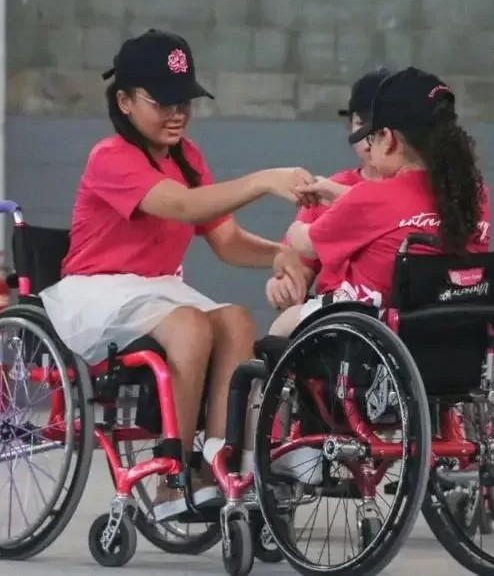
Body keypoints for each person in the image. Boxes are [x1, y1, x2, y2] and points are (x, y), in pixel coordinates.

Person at [40, 29, 315, 520]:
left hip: (158, 289)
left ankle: (220, 462)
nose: (177, 113)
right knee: (190, 322)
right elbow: (185, 207)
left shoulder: (188, 157)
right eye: (163, 101)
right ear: (123, 101)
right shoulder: (111, 158)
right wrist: (262, 180)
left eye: (184, 100)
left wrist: (280, 254)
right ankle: (174, 475)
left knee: (235, 319)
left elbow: (226, 241)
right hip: (98, 289)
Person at [269, 66, 492, 337]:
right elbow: (402, 210)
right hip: (452, 328)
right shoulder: (474, 193)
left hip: (372, 324)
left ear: (388, 138)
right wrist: (337, 192)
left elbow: (306, 243)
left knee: (281, 327)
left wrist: (298, 224)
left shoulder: (372, 197)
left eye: (372, 135)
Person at [264, 68, 393, 312]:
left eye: (381, 128)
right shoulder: (325, 190)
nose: (370, 139)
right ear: (350, 127)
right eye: (362, 124)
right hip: (333, 316)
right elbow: (296, 262)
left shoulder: (418, 192)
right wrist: (285, 284)